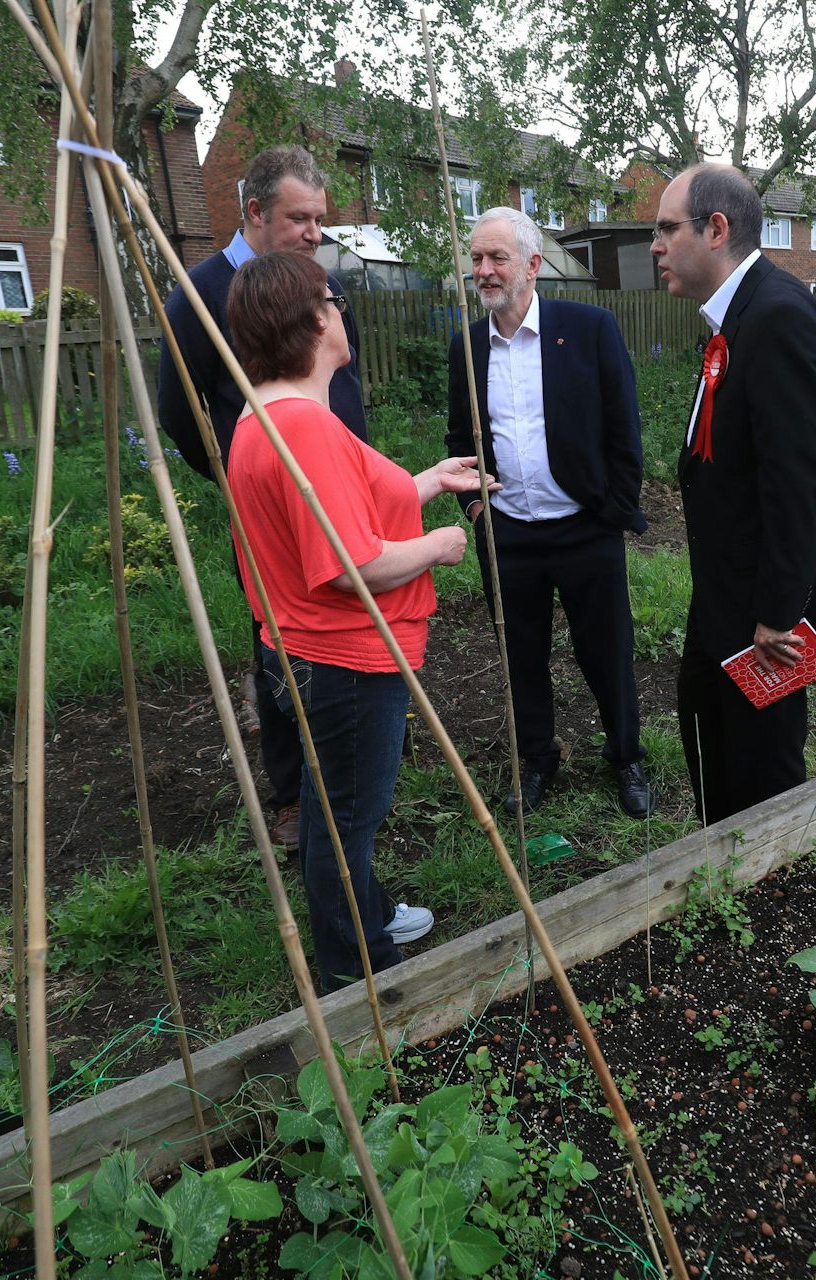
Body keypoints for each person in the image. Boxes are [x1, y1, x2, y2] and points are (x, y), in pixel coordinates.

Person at [224, 251, 489, 992]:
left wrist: (427, 482)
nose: (343, 313)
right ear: (315, 318)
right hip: (344, 660)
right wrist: (439, 545)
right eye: (335, 300)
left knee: (328, 806)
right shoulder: (304, 426)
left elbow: (333, 512)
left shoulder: (265, 414)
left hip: (301, 653)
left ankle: (366, 920)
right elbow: (349, 564)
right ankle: (358, 974)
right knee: (346, 824)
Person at [649, 164, 816, 825]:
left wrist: (778, 618)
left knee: (760, 774)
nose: (655, 245)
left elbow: (798, 483)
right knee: (710, 738)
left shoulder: (777, 316)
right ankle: (722, 873)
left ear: (717, 228)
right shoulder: (739, 314)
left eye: (667, 228)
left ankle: (763, 894)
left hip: (766, 614)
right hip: (725, 591)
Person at [155, 145, 365, 848]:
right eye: (299, 218)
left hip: (342, 487)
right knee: (282, 640)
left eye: (319, 220)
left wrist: (358, 465)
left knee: (355, 614)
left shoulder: (321, 286)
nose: (314, 233)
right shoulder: (201, 295)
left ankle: (356, 752)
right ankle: (291, 790)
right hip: (271, 507)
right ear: (254, 211)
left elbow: (347, 384)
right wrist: (243, 476)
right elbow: (182, 413)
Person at [445, 207, 653, 819]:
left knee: (607, 649)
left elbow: (624, 427)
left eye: (496, 258)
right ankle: (538, 757)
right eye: (477, 259)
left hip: (584, 526)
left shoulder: (588, 328)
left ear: (532, 266)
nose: (483, 271)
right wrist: (476, 507)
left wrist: (616, 508)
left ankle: (626, 756)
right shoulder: (467, 344)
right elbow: (462, 436)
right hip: (508, 533)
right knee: (520, 653)